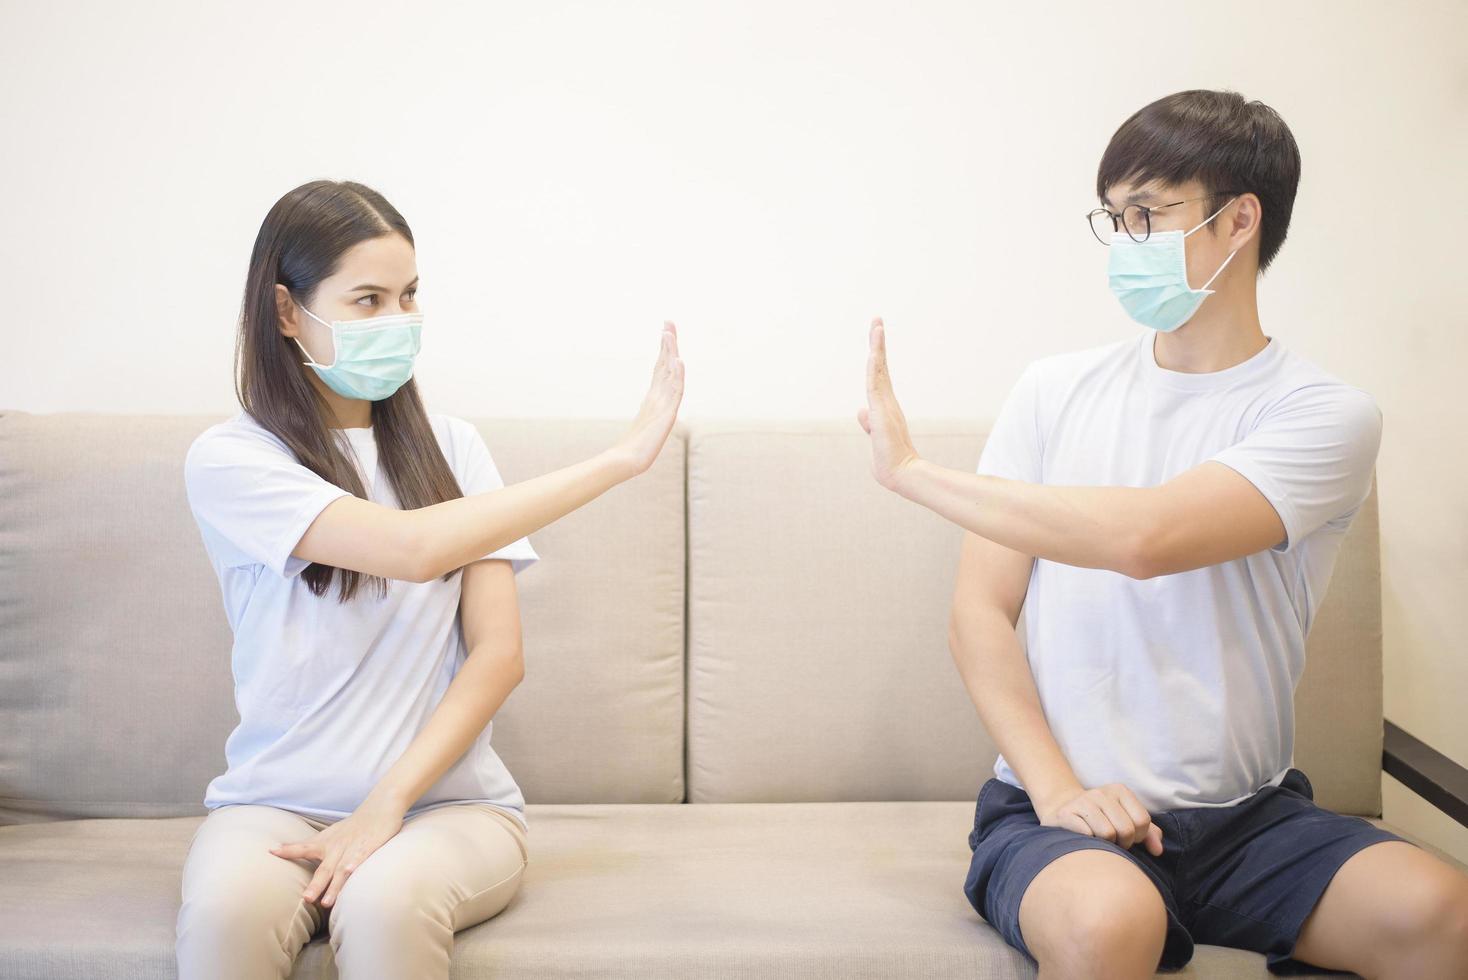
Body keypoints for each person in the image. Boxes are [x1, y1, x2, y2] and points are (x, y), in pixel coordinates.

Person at [857, 90, 1468, 978]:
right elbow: (979, 614)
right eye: (1116, 219)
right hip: (1054, 817)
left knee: (1439, 912)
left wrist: (914, 473)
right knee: (1112, 924)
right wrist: (1058, 791)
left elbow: (1148, 538)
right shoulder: (1053, 391)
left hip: (1251, 821)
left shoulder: (1325, 415)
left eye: (1148, 214)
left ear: (1239, 221)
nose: (1126, 244)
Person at [175, 179, 684, 979]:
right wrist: (619, 461)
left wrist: (387, 805)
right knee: (223, 920)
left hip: (449, 809)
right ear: (285, 311)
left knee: (385, 904)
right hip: (274, 803)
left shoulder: (452, 446)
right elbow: (409, 547)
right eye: (368, 301)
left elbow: (498, 655)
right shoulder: (234, 461)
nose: (399, 322)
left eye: (410, 296)